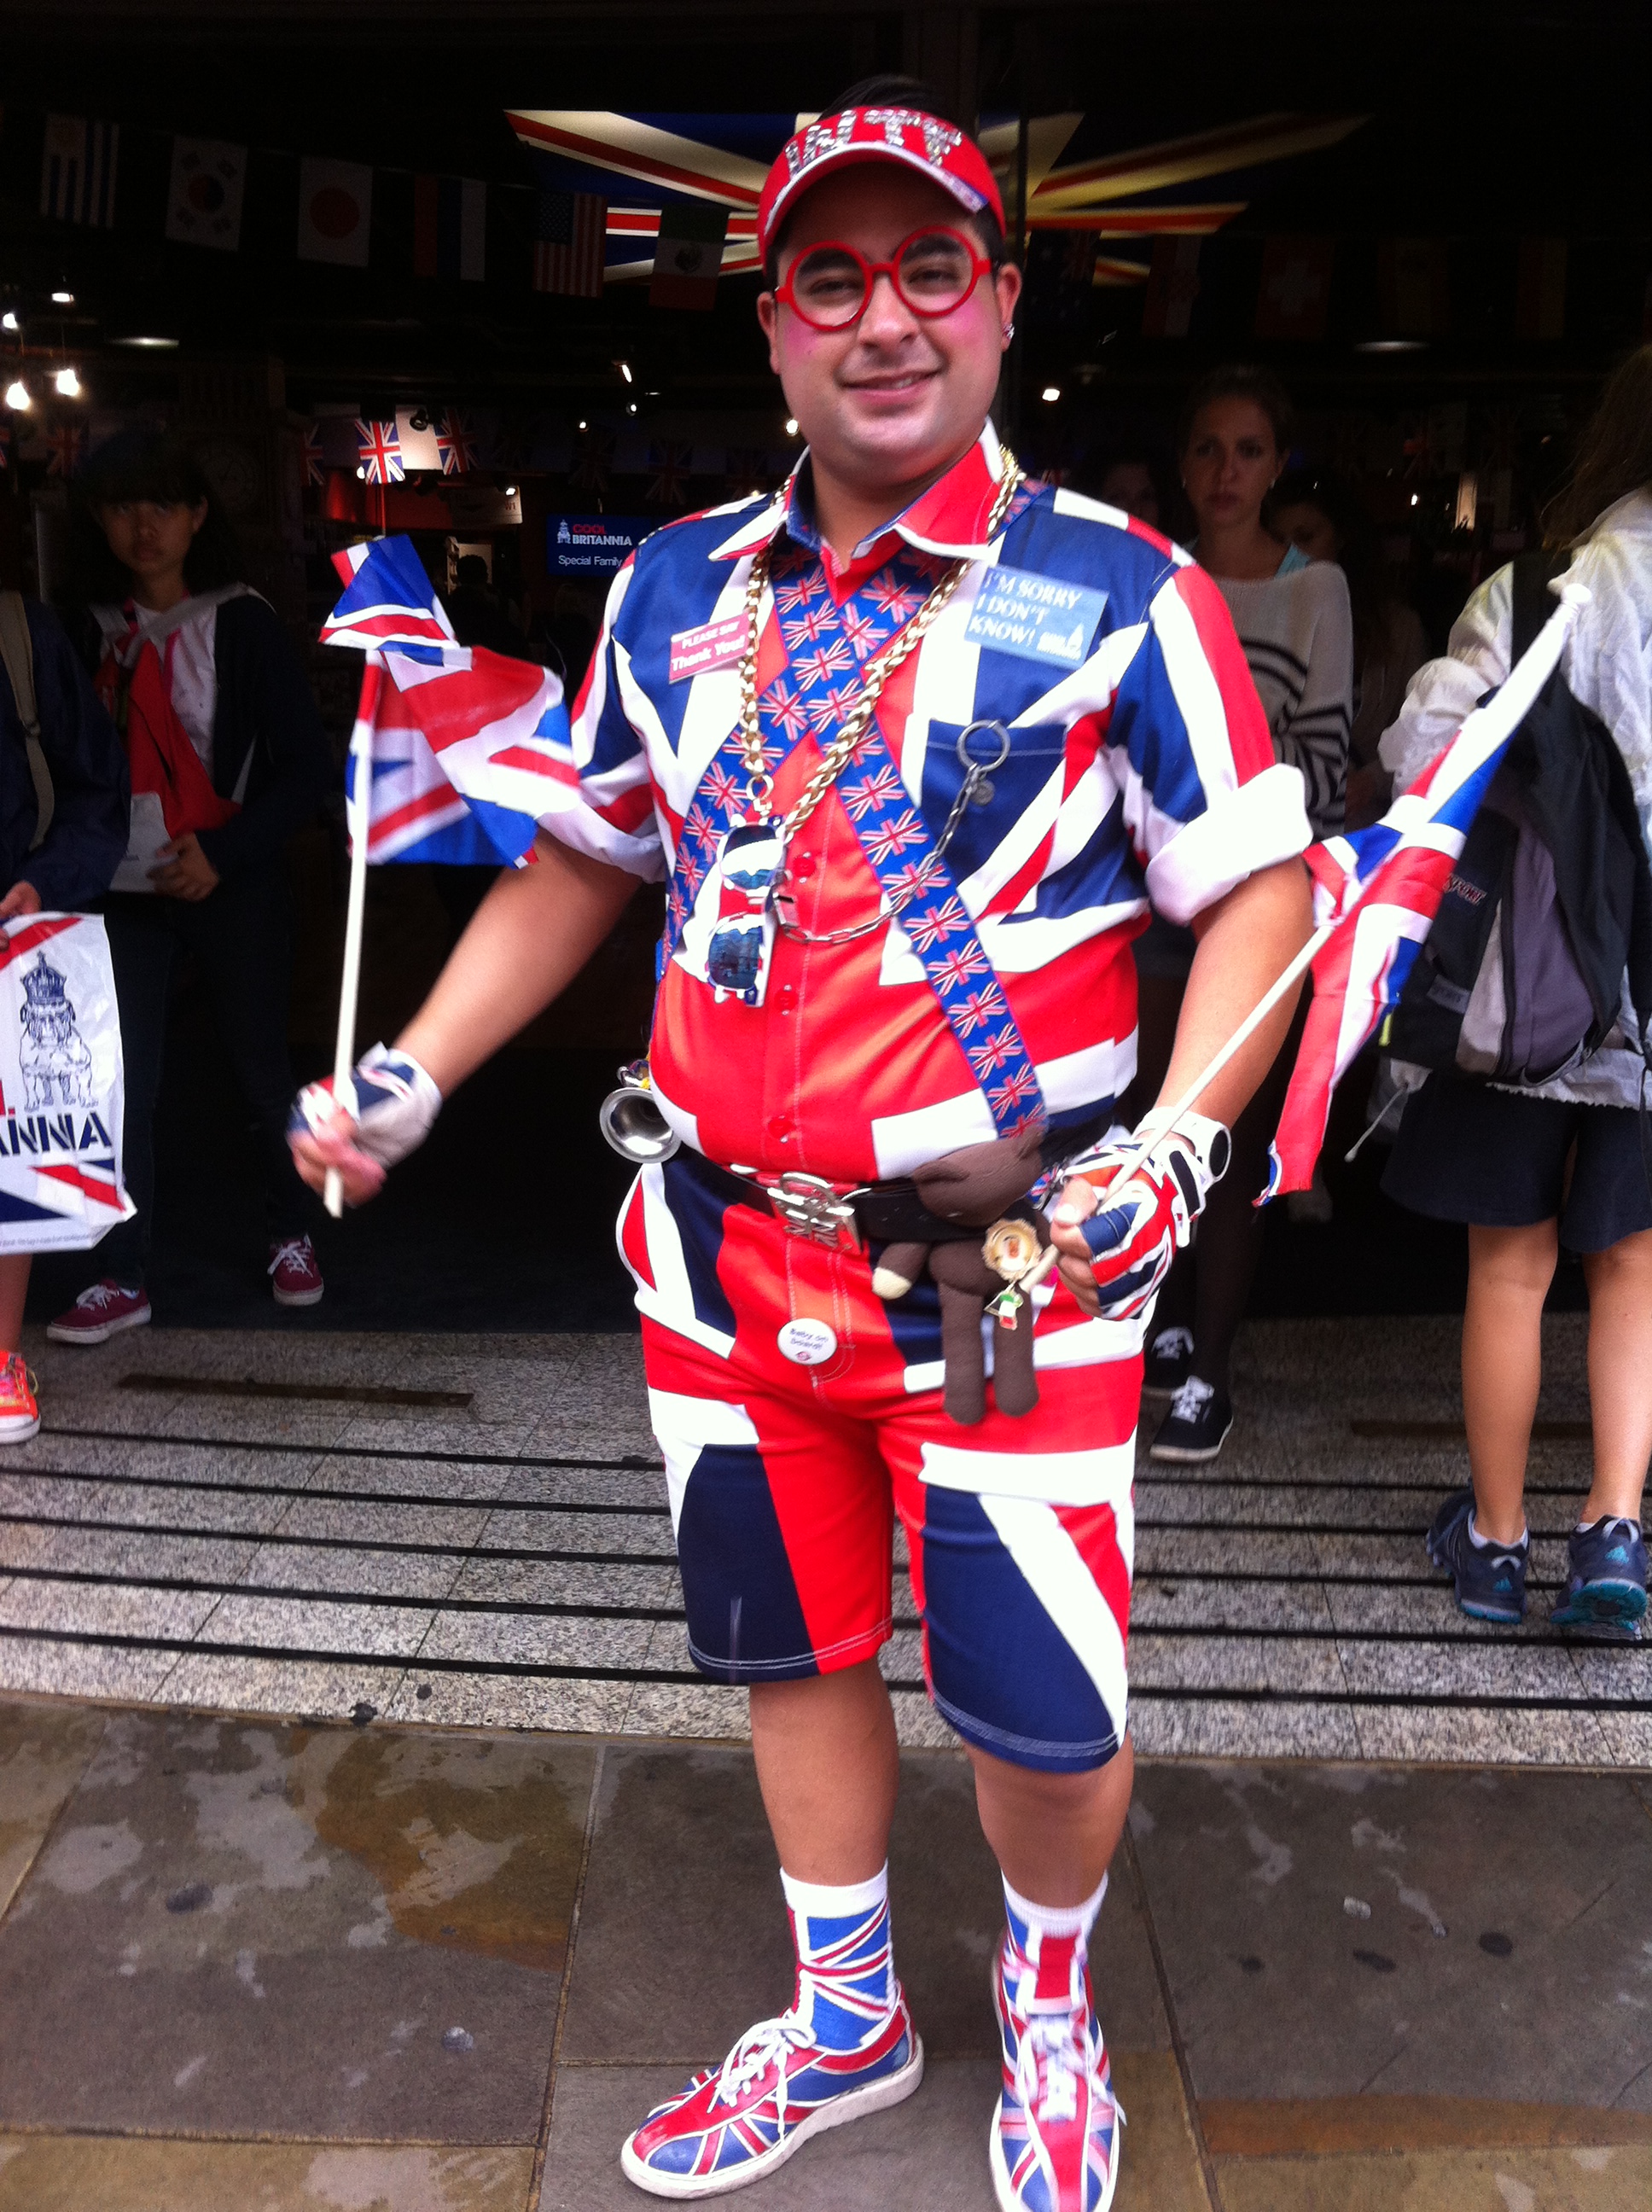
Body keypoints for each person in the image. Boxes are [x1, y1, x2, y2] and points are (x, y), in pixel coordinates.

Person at [293, 83, 1312, 2209]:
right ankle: (842, 2011)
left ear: (1001, 300)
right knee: (791, 1641)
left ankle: (1045, 2009)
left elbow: (1256, 893)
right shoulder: (670, 590)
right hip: (715, 1252)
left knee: (1036, 1702)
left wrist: (1183, 1152)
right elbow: (585, 862)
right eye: (828, 276)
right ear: (770, 326)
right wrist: (411, 1073)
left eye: (928, 268)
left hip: (1003, 1273)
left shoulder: (1124, 593)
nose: (881, 318)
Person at [1379, 345, 1652, 1633]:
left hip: (1531, 996)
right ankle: (1613, 1535)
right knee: (1636, 1273)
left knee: (1512, 1268)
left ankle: (1494, 1542)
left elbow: (1428, 757)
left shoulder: (1542, 591)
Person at [49, 433, 334, 1341]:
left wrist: (226, 851)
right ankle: (119, 1270)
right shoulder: (81, 628)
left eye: (163, 505)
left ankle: (290, 1231)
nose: (144, 526)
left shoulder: (241, 622)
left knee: (260, 1071)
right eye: (123, 507)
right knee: (119, 1082)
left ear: (198, 515)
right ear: (97, 519)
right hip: (119, 892)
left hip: (232, 880)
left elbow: (305, 770)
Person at [1132, 366, 1353, 1460]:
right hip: (1142, 910)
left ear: (1277, 464)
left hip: (1258, 899)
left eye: (1250, 450)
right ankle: (1160, 1326)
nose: (1227, 471)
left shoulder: (1318, 590)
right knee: (1135, 1130)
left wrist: (1210, 813)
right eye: (1209, 449)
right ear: (1182, 464)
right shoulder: (1152, 581)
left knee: (1225, 1134)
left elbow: (1325, 765)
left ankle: (1208, 1372)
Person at [0, 590, 128, 1433]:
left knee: (9, 1144)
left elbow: (97, 790)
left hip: (10, 939)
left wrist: (43, 882)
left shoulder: (22, 636)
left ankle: (0, 1356)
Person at [1271, 469, 1428, 828]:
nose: (1292, 554)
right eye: (1280, 541)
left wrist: (1372, 779)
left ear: (1340, 539)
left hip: (1369, 831)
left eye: (1306, 537)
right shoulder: (1266, 624)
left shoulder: (1398, 629)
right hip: (1284, 827)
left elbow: (1422, 729)